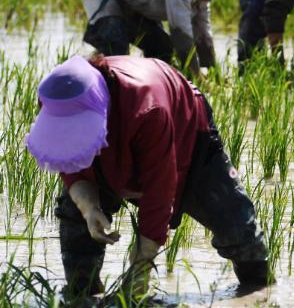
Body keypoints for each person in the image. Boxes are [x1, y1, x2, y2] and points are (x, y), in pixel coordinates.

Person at [25, 56, 272, 303]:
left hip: (186, 130)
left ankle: (260, 291)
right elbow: (67, 158)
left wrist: (142, 265)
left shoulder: (148, 110)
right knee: (75, 215)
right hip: (120, 132)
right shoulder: (58, 98)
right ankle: (82, 293)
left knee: (238, 230)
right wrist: (89, 208)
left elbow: (160, 192)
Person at [81, 0, 234, 75]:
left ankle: (151, 88)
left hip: (135, 4)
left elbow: (203, 34)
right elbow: (180, 33)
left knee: (163, 48)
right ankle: (91, 84)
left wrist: (213, 72)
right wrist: (195, 74)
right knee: (116, 53)